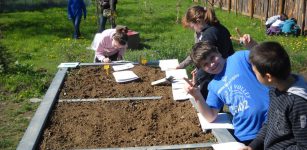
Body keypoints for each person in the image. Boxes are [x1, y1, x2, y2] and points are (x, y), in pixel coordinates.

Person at [184, 41, 269, 145]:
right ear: (202, 69)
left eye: (212, 57)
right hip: (246, 133)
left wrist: (253, 46)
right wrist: (197, 95)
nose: (212, 64)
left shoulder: (240, 57)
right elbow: (210, 116)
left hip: (273, 120)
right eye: (205, 64)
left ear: (218, 52)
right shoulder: (213, 86)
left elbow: (267, 60)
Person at [239, 42, 307, 150]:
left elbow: (303, 146)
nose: (254, 75)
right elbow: (270, 124)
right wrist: (253, 146)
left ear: (268, 77)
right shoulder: (274, 90)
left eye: (254, 72)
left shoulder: (298, 103)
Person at [177, 5, 234, 98]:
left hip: (211, 76)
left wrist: (196, 80)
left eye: (192, 27)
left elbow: (204, 60)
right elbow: (230, 51)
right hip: (225, 71)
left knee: (209, 104)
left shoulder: (208, 35)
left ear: (198, 21)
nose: (193, 30)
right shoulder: (221, 28)